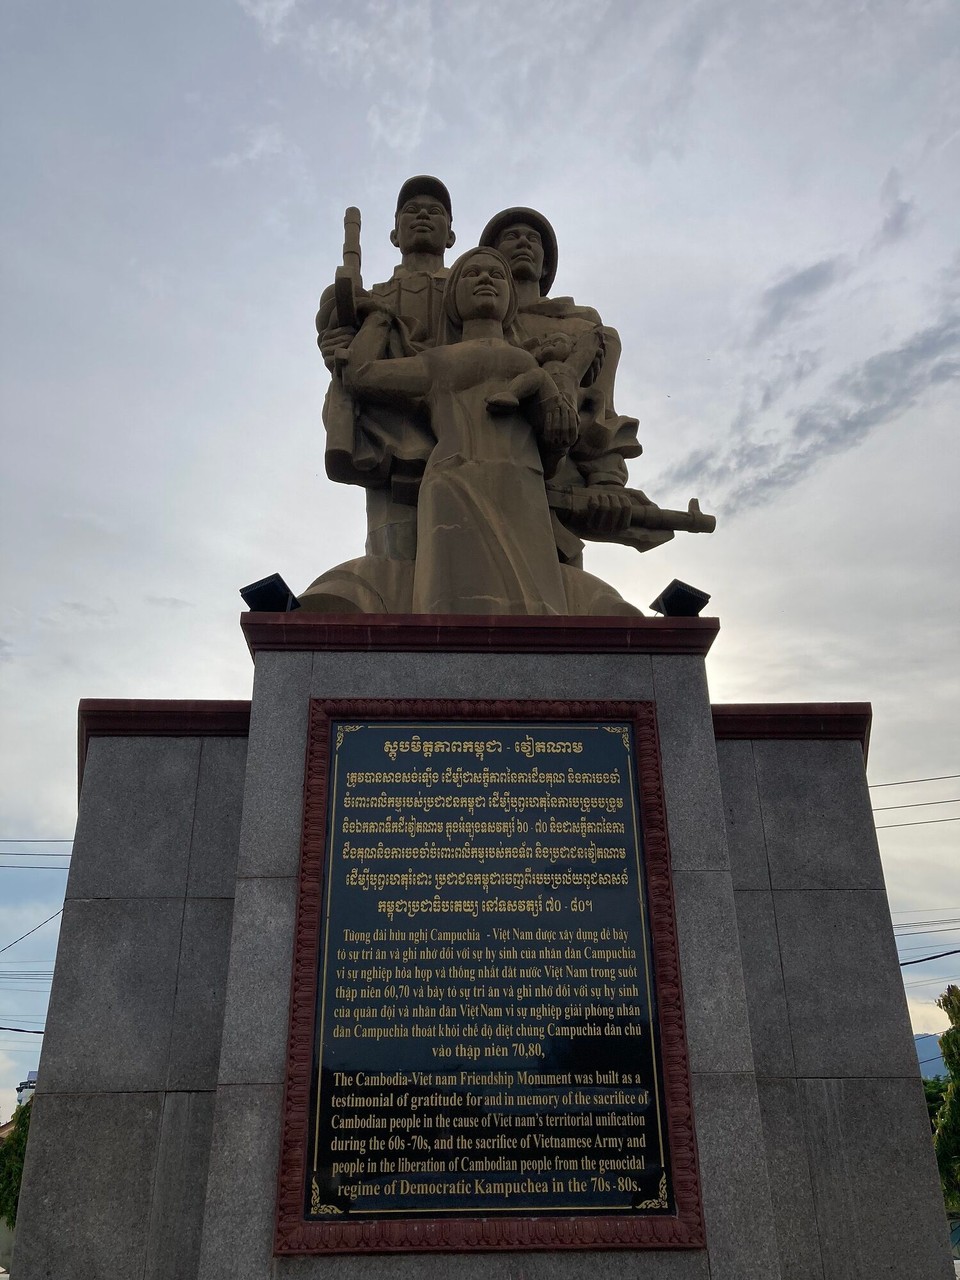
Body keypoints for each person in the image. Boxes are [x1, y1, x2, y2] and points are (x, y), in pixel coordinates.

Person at [339, 247, 577, 615]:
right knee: (448, 611)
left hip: (522, 488)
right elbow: (361, 375)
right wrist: (379, 319)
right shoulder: (440, 361)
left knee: (538, 615)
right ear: (453, 299)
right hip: (453, 483)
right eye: (471, 274)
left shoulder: (529, 362)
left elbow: (553, 449)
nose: (484, 279)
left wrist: (555, 414)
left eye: (496, 275)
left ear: (511, 299)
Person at [479, 209, 670, 568]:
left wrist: (607, 482)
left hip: (558, 480)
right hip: (479, 468)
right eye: (511, 236)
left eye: (533, 239)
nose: (523, 242)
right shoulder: (468, 323)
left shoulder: (583, 326)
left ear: (547, 266)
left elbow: (600, 407)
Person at [301, 177, 456, 612]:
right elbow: (345, 354)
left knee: (464, 556)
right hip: (391, 437)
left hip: (458, 431)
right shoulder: (376, 297)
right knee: (394, 557)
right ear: (393, 234)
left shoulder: (470, 287)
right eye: (411, 210)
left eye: (435, 210)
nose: (422, 214)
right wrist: (335, 343)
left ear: (451, 233)